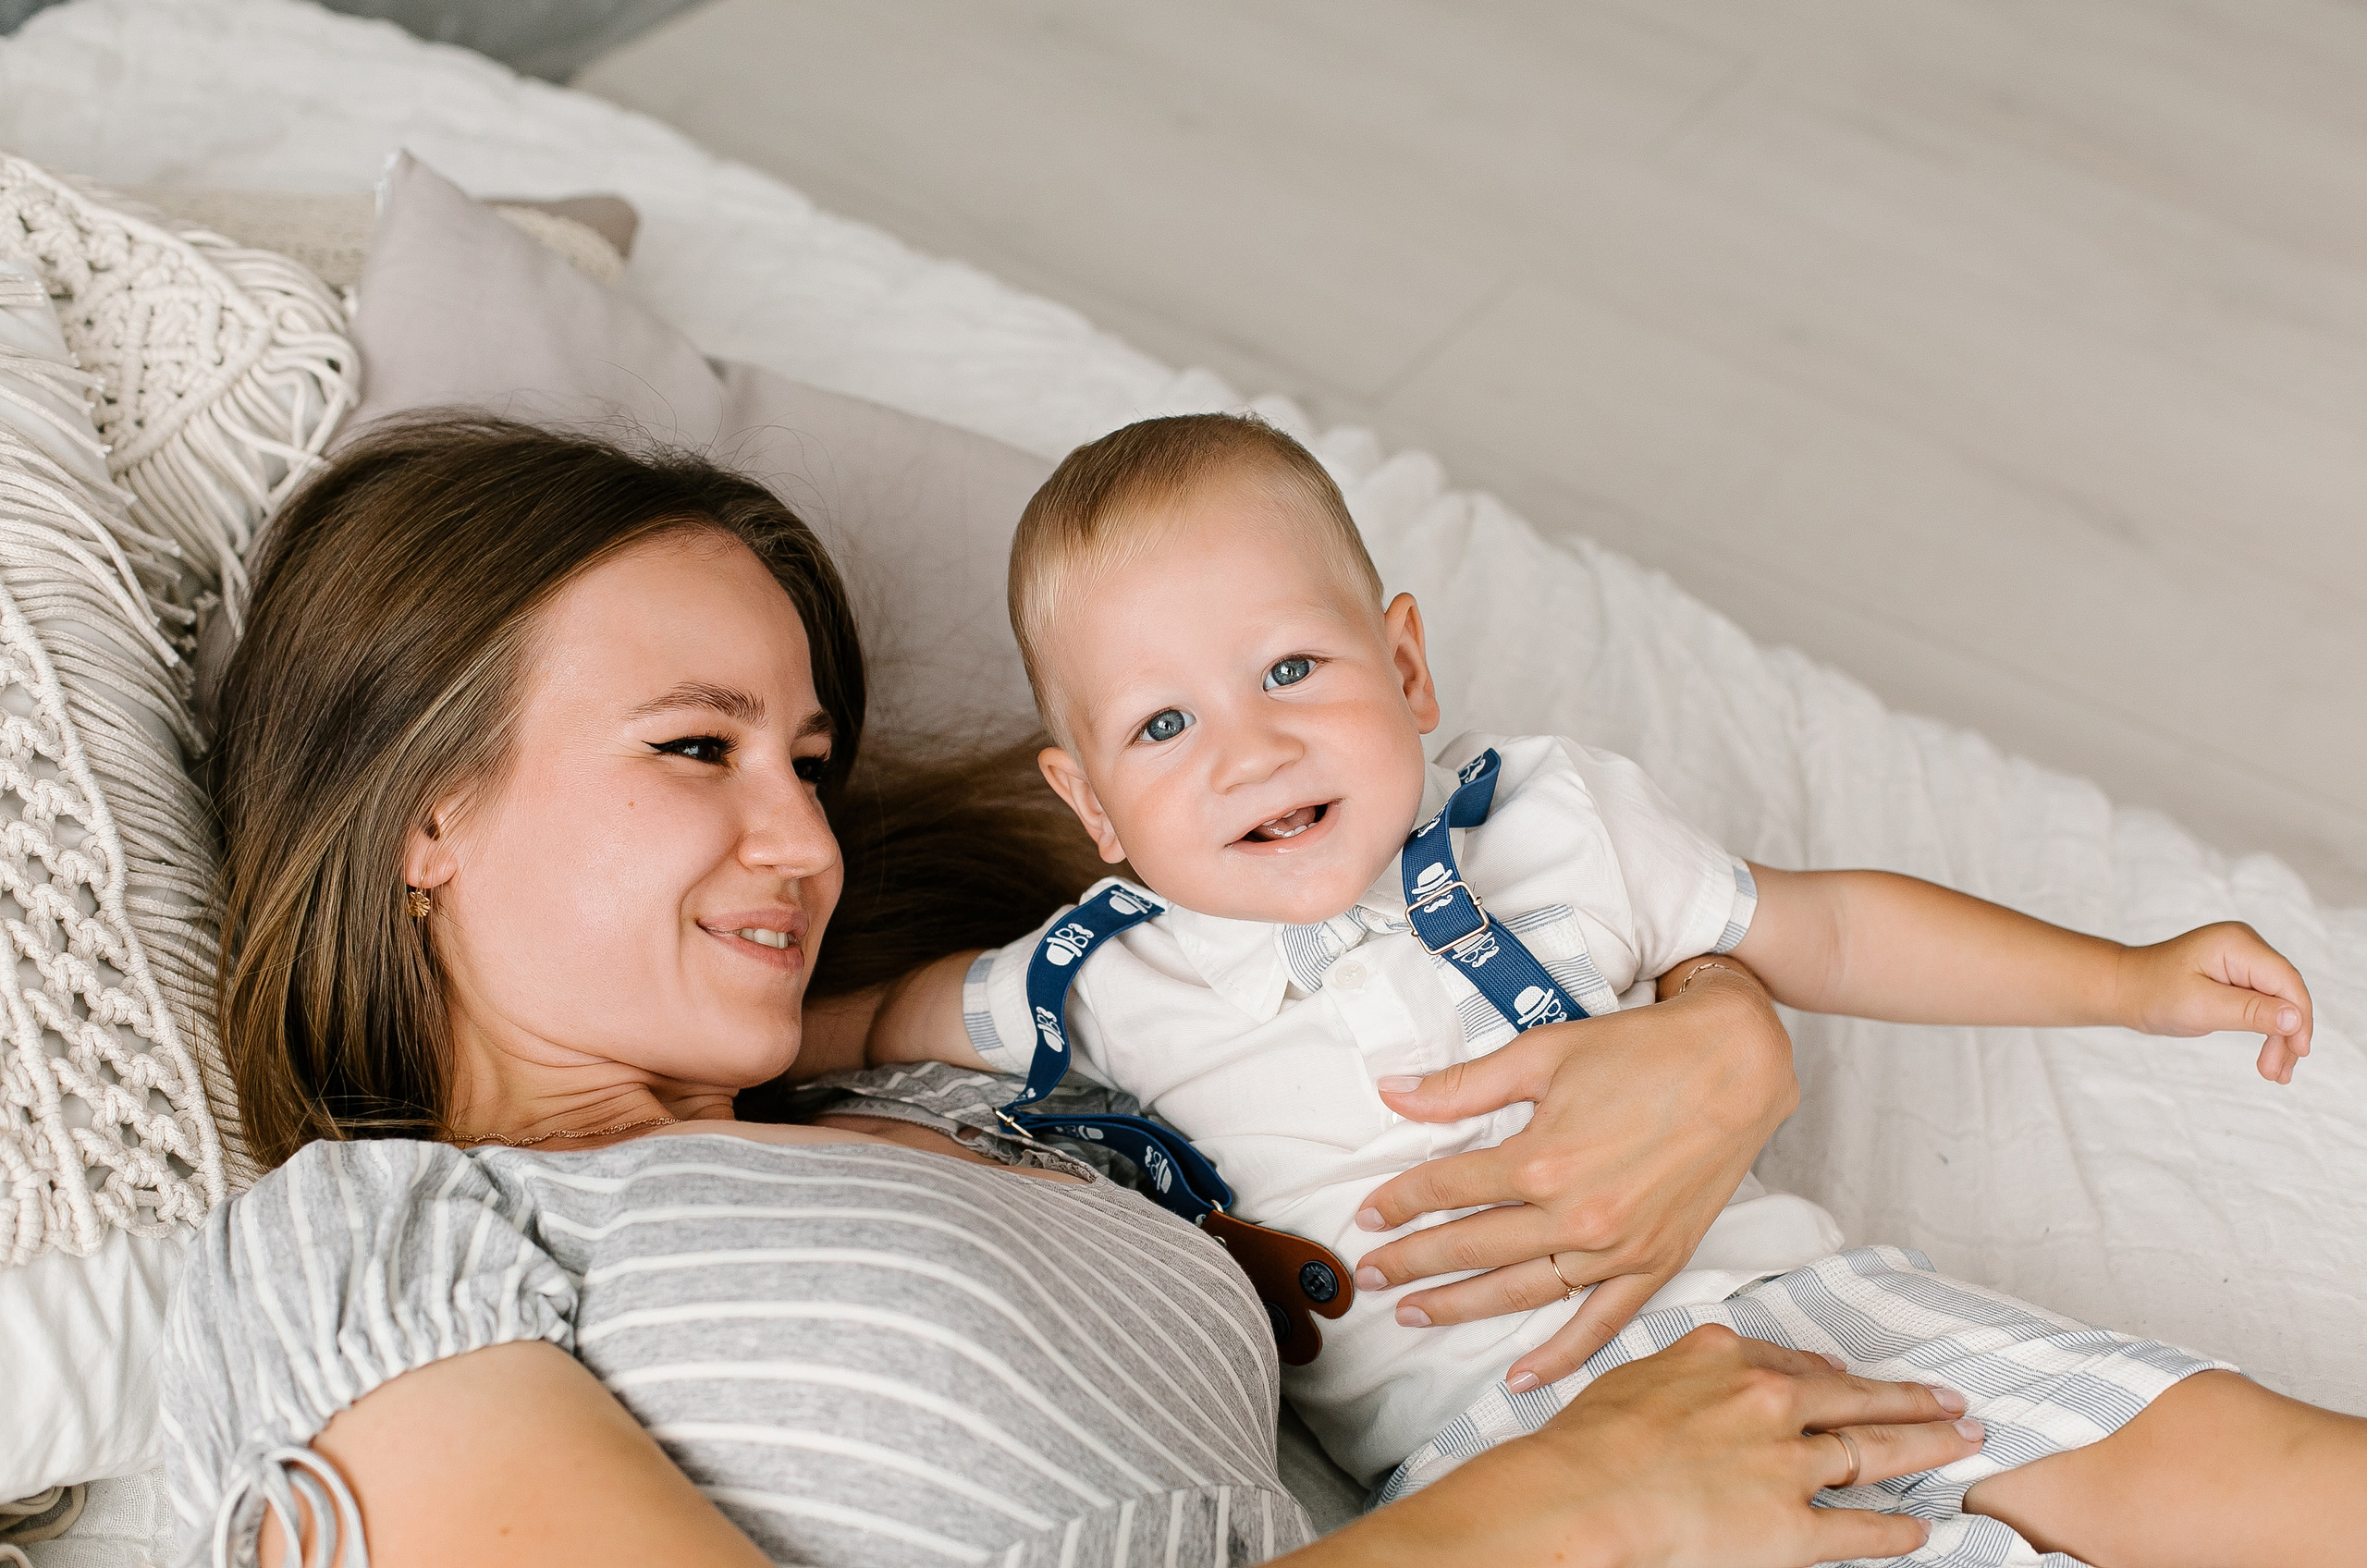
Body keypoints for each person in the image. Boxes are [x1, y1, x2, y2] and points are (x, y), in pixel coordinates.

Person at [165, 412, 1973, 1568]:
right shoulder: (360, 1246)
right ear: (425, 811)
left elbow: (1404, 928)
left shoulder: (987, 1095)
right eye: (695, 744)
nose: (801, 835)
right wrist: (1561, 1515)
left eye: (806, 759)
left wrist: (1715, 1025)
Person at [861, 411, 2365, 1563]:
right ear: (1097, 811)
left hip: (1797, 1303)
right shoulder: (1097, 976)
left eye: (1294, 670)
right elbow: (863, 1019)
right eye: (1165, 722)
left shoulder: (1552, 820)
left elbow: (1826, 930)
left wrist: (2130, 982)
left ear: (1407, 667)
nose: (1247, 751)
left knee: (2219, 1455)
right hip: (1514, 1452)